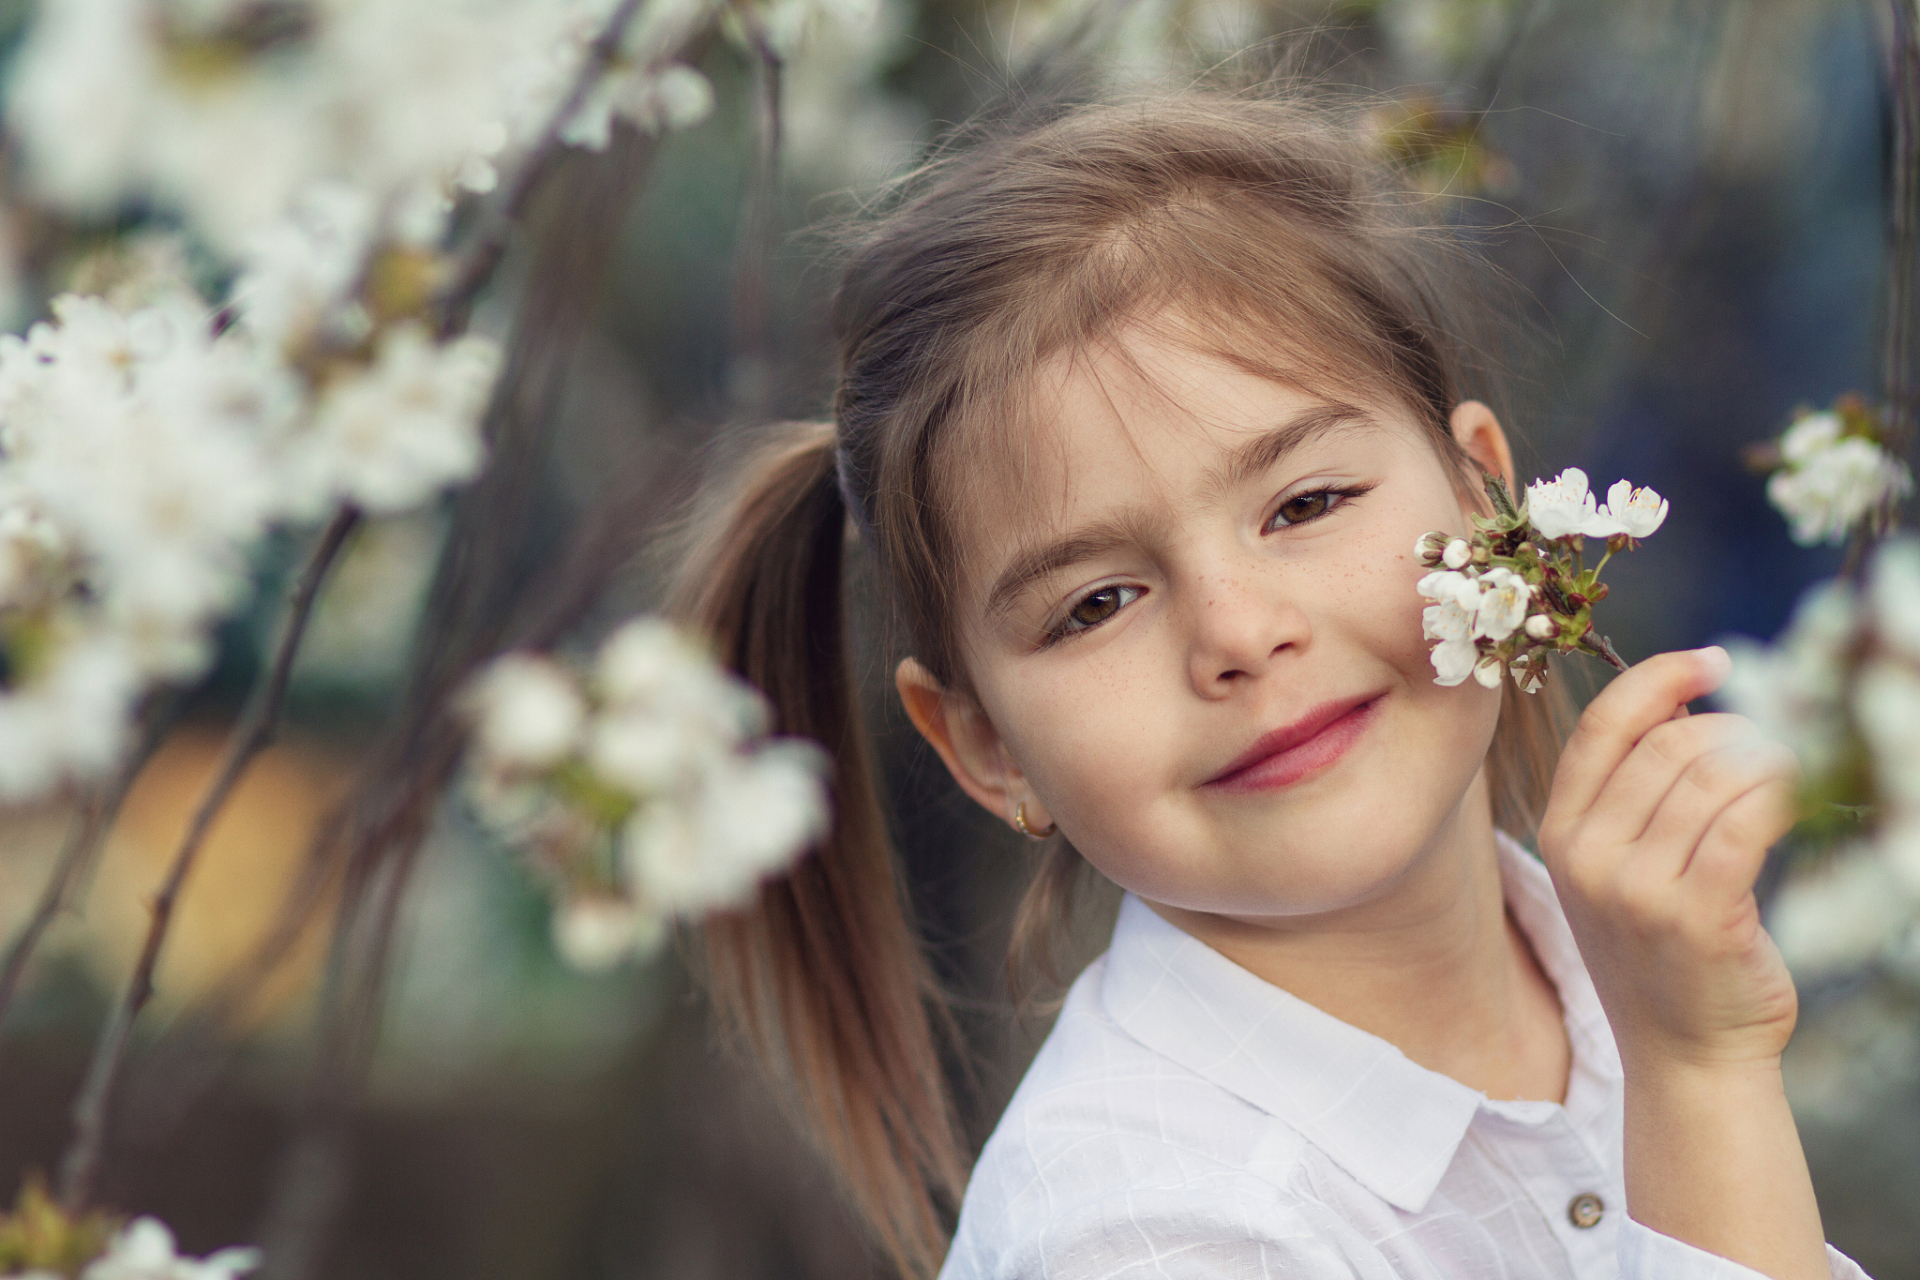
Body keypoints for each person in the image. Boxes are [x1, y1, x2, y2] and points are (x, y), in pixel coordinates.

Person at [668, 91, 1869, 1280]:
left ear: (1489, 509)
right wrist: (1699, 1076)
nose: (1238, 632)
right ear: (988, 746)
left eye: (1306, 504)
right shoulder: (1145, 1232)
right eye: (1096, 603)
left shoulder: (1620, 970)